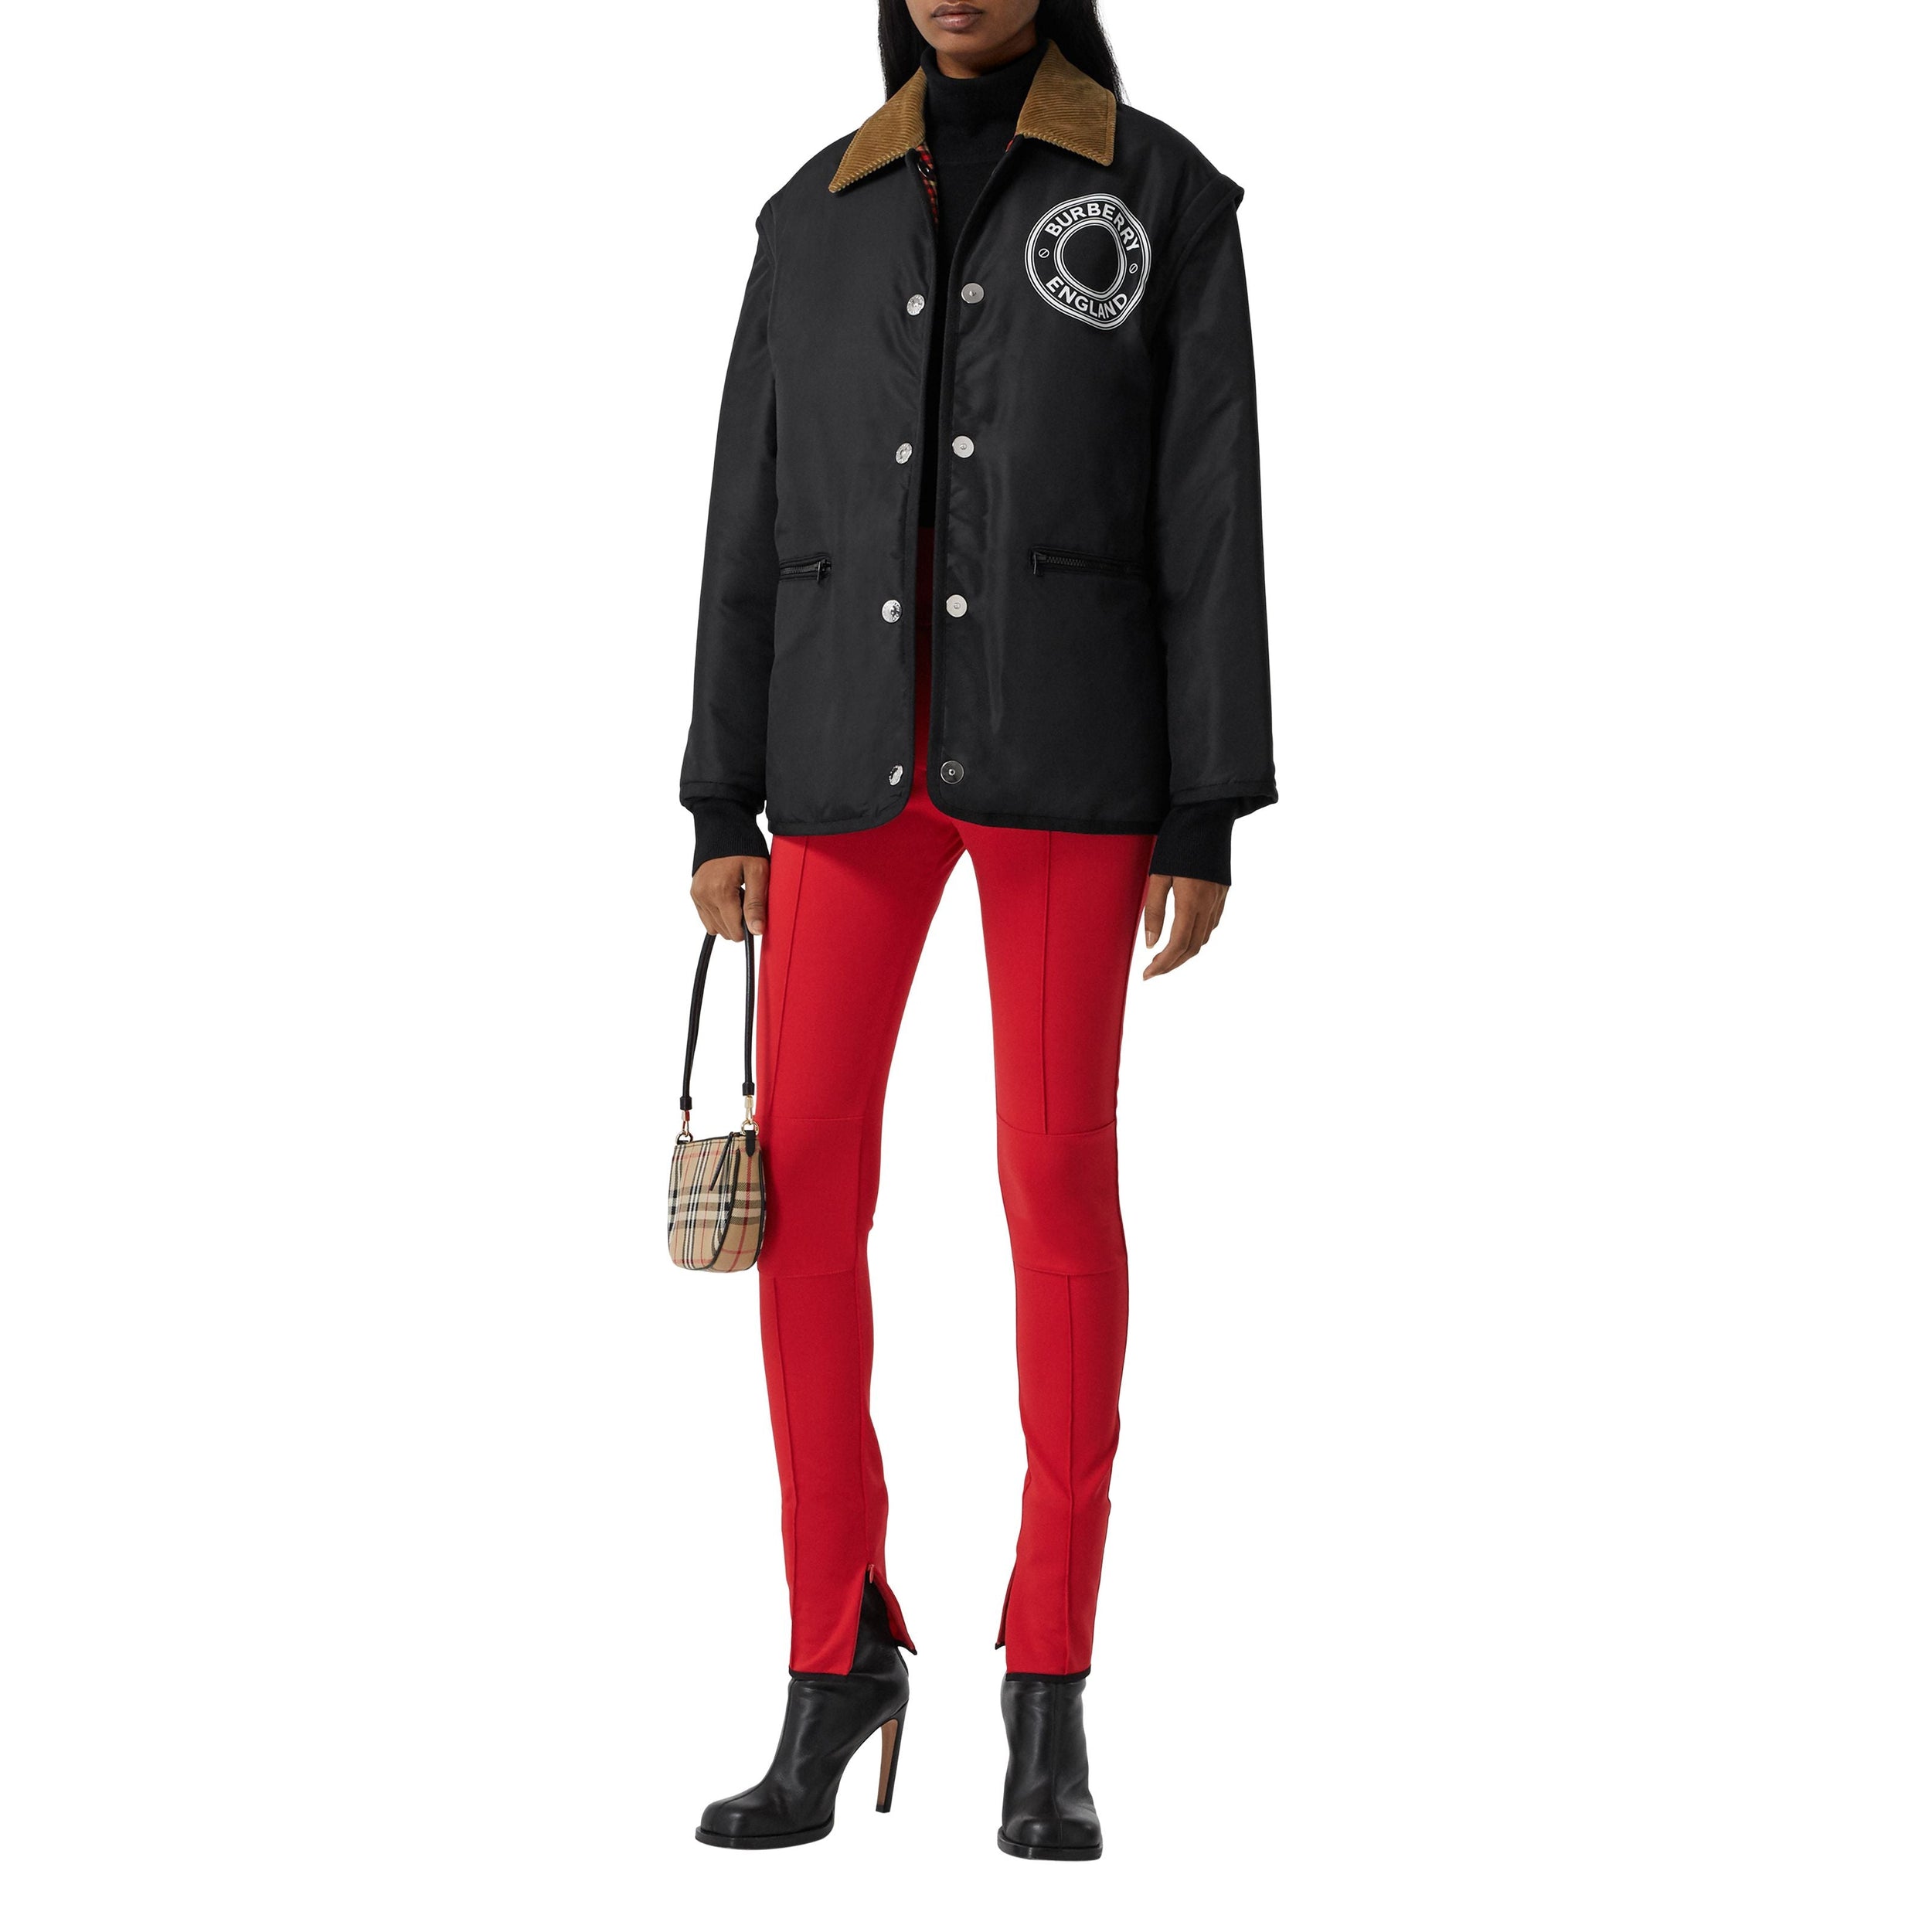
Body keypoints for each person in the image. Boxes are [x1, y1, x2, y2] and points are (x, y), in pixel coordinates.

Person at [681, 0, 1274, 1860]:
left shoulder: (1158, 195)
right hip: (832, 764)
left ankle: (1049, 1686)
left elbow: (1208, 503)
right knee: (801, 1197)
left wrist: (1204, 798)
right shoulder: (808, 215)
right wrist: (716, 793)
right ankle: (830, 1648)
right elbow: (748, 504)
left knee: (1055, 1188)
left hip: (1072, 755)